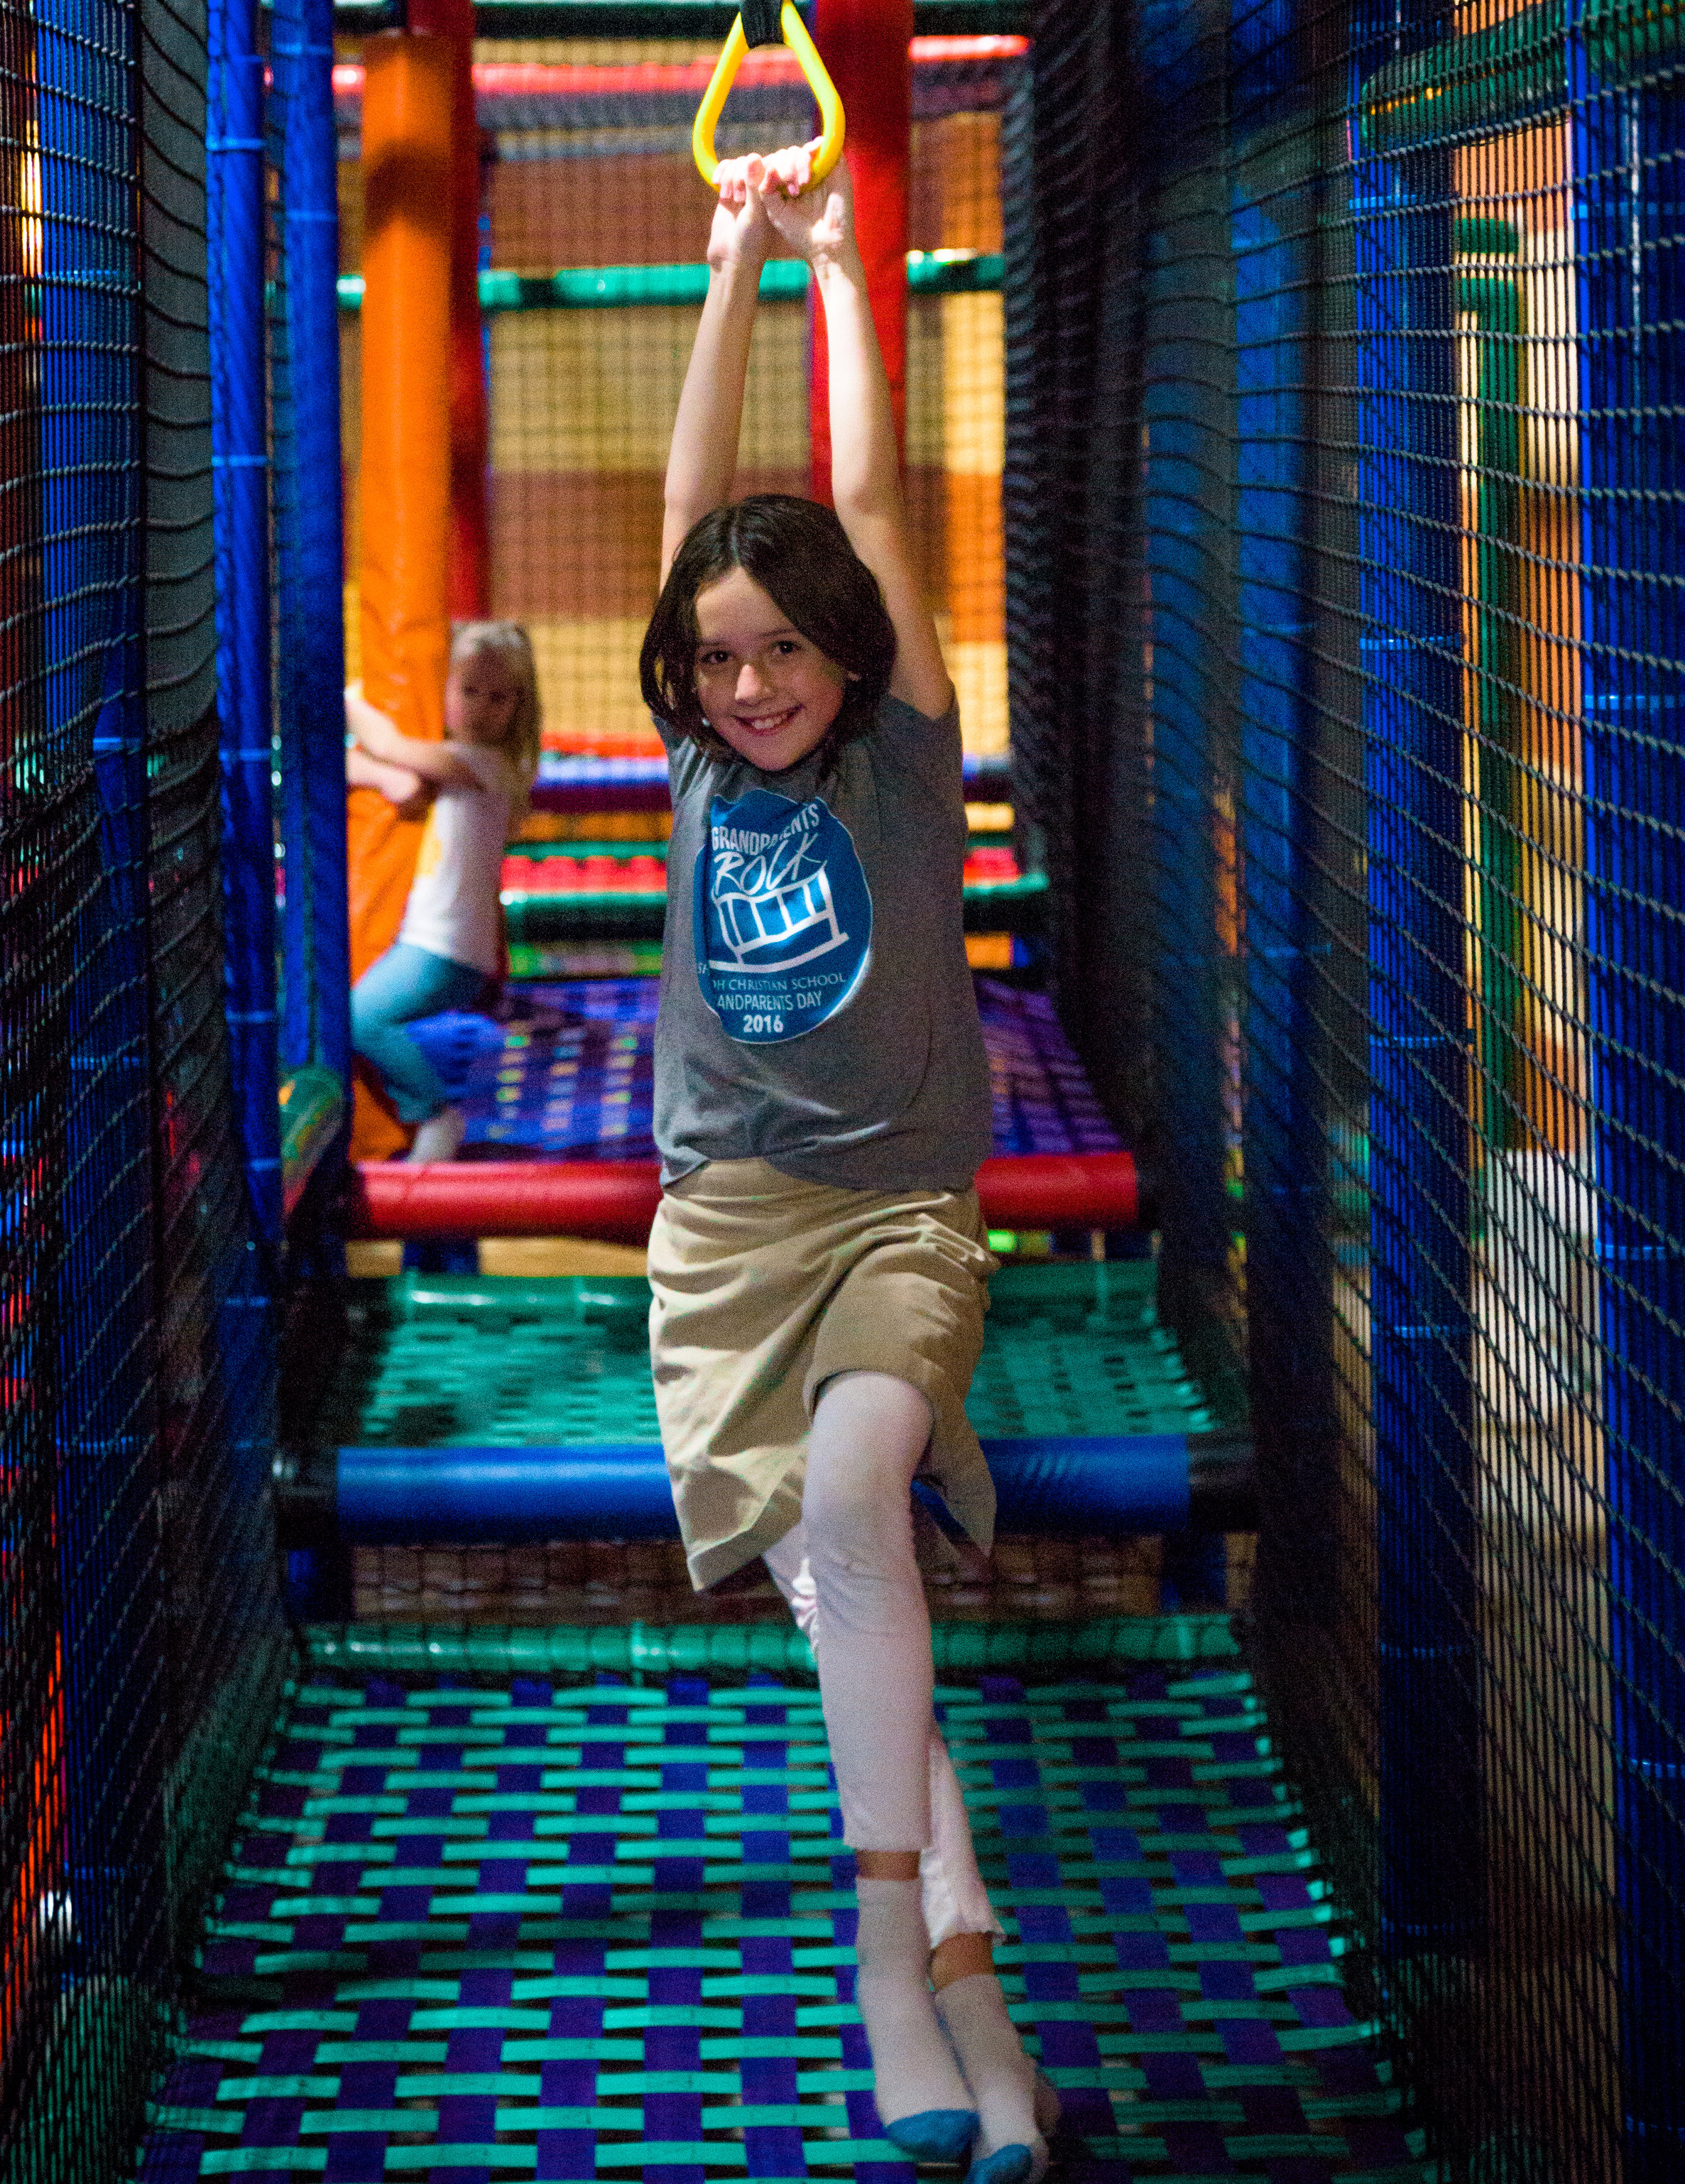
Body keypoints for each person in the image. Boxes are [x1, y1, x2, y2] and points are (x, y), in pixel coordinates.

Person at [640, 144, 1055, 2184]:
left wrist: (832, 263)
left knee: (852, 1485)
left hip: (896, 1215)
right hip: (722, 1242)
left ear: (846, 651)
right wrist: (718, 260)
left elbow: (869, 503)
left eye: (779, 652)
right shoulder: (705, 753)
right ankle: (978, 2020)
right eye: (718, 658)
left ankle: (887, 1953)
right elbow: (685, 507)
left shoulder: (900, 742)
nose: (747, 683)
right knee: (851, 1610)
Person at [345, 619, 540, 1164]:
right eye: (468, 689)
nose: (480, 706)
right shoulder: (465, 762)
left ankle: (432, 1111)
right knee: (361, 1015)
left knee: (359, 1017)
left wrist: (348, 695)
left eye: (498, 696)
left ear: (518, 707)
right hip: (440, 947)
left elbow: (386, 743)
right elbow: (384, 764)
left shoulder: (485, 764)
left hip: (444, 953)